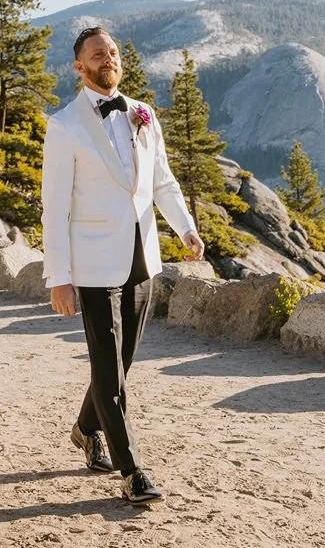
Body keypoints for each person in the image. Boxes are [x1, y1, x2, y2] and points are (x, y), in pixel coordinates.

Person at [42, 26, 204, 505]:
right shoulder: (65, 125)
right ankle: (132, 471)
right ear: (79, 66)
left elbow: (163, 184)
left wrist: (186, 229)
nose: (107, 58)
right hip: (91, 266)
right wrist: (61, 277)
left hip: (142, 258)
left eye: (112, 52)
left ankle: (85, 428)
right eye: (97, 54)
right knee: (109, 371)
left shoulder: (142, 114)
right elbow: (55, 207)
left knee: (120, 365)